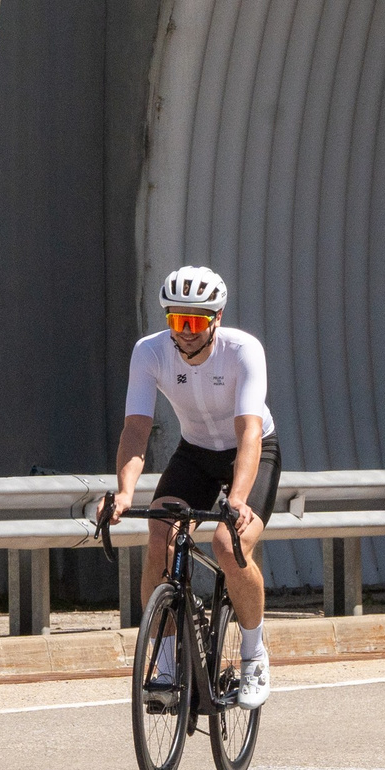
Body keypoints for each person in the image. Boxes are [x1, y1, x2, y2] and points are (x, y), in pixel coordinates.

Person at [101, 266, 280, 710]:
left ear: (216, 318)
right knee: (160, 533)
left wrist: (236, 499)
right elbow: (136, 430)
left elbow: (250, 434)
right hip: (195, 452)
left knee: (227, 542)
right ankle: (164, 662)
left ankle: (255, 653)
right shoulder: (149, 353)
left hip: (249, 451)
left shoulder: (243, 351)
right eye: (176, 321)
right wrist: (124, 492)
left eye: (195, 322)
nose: (185, 333)